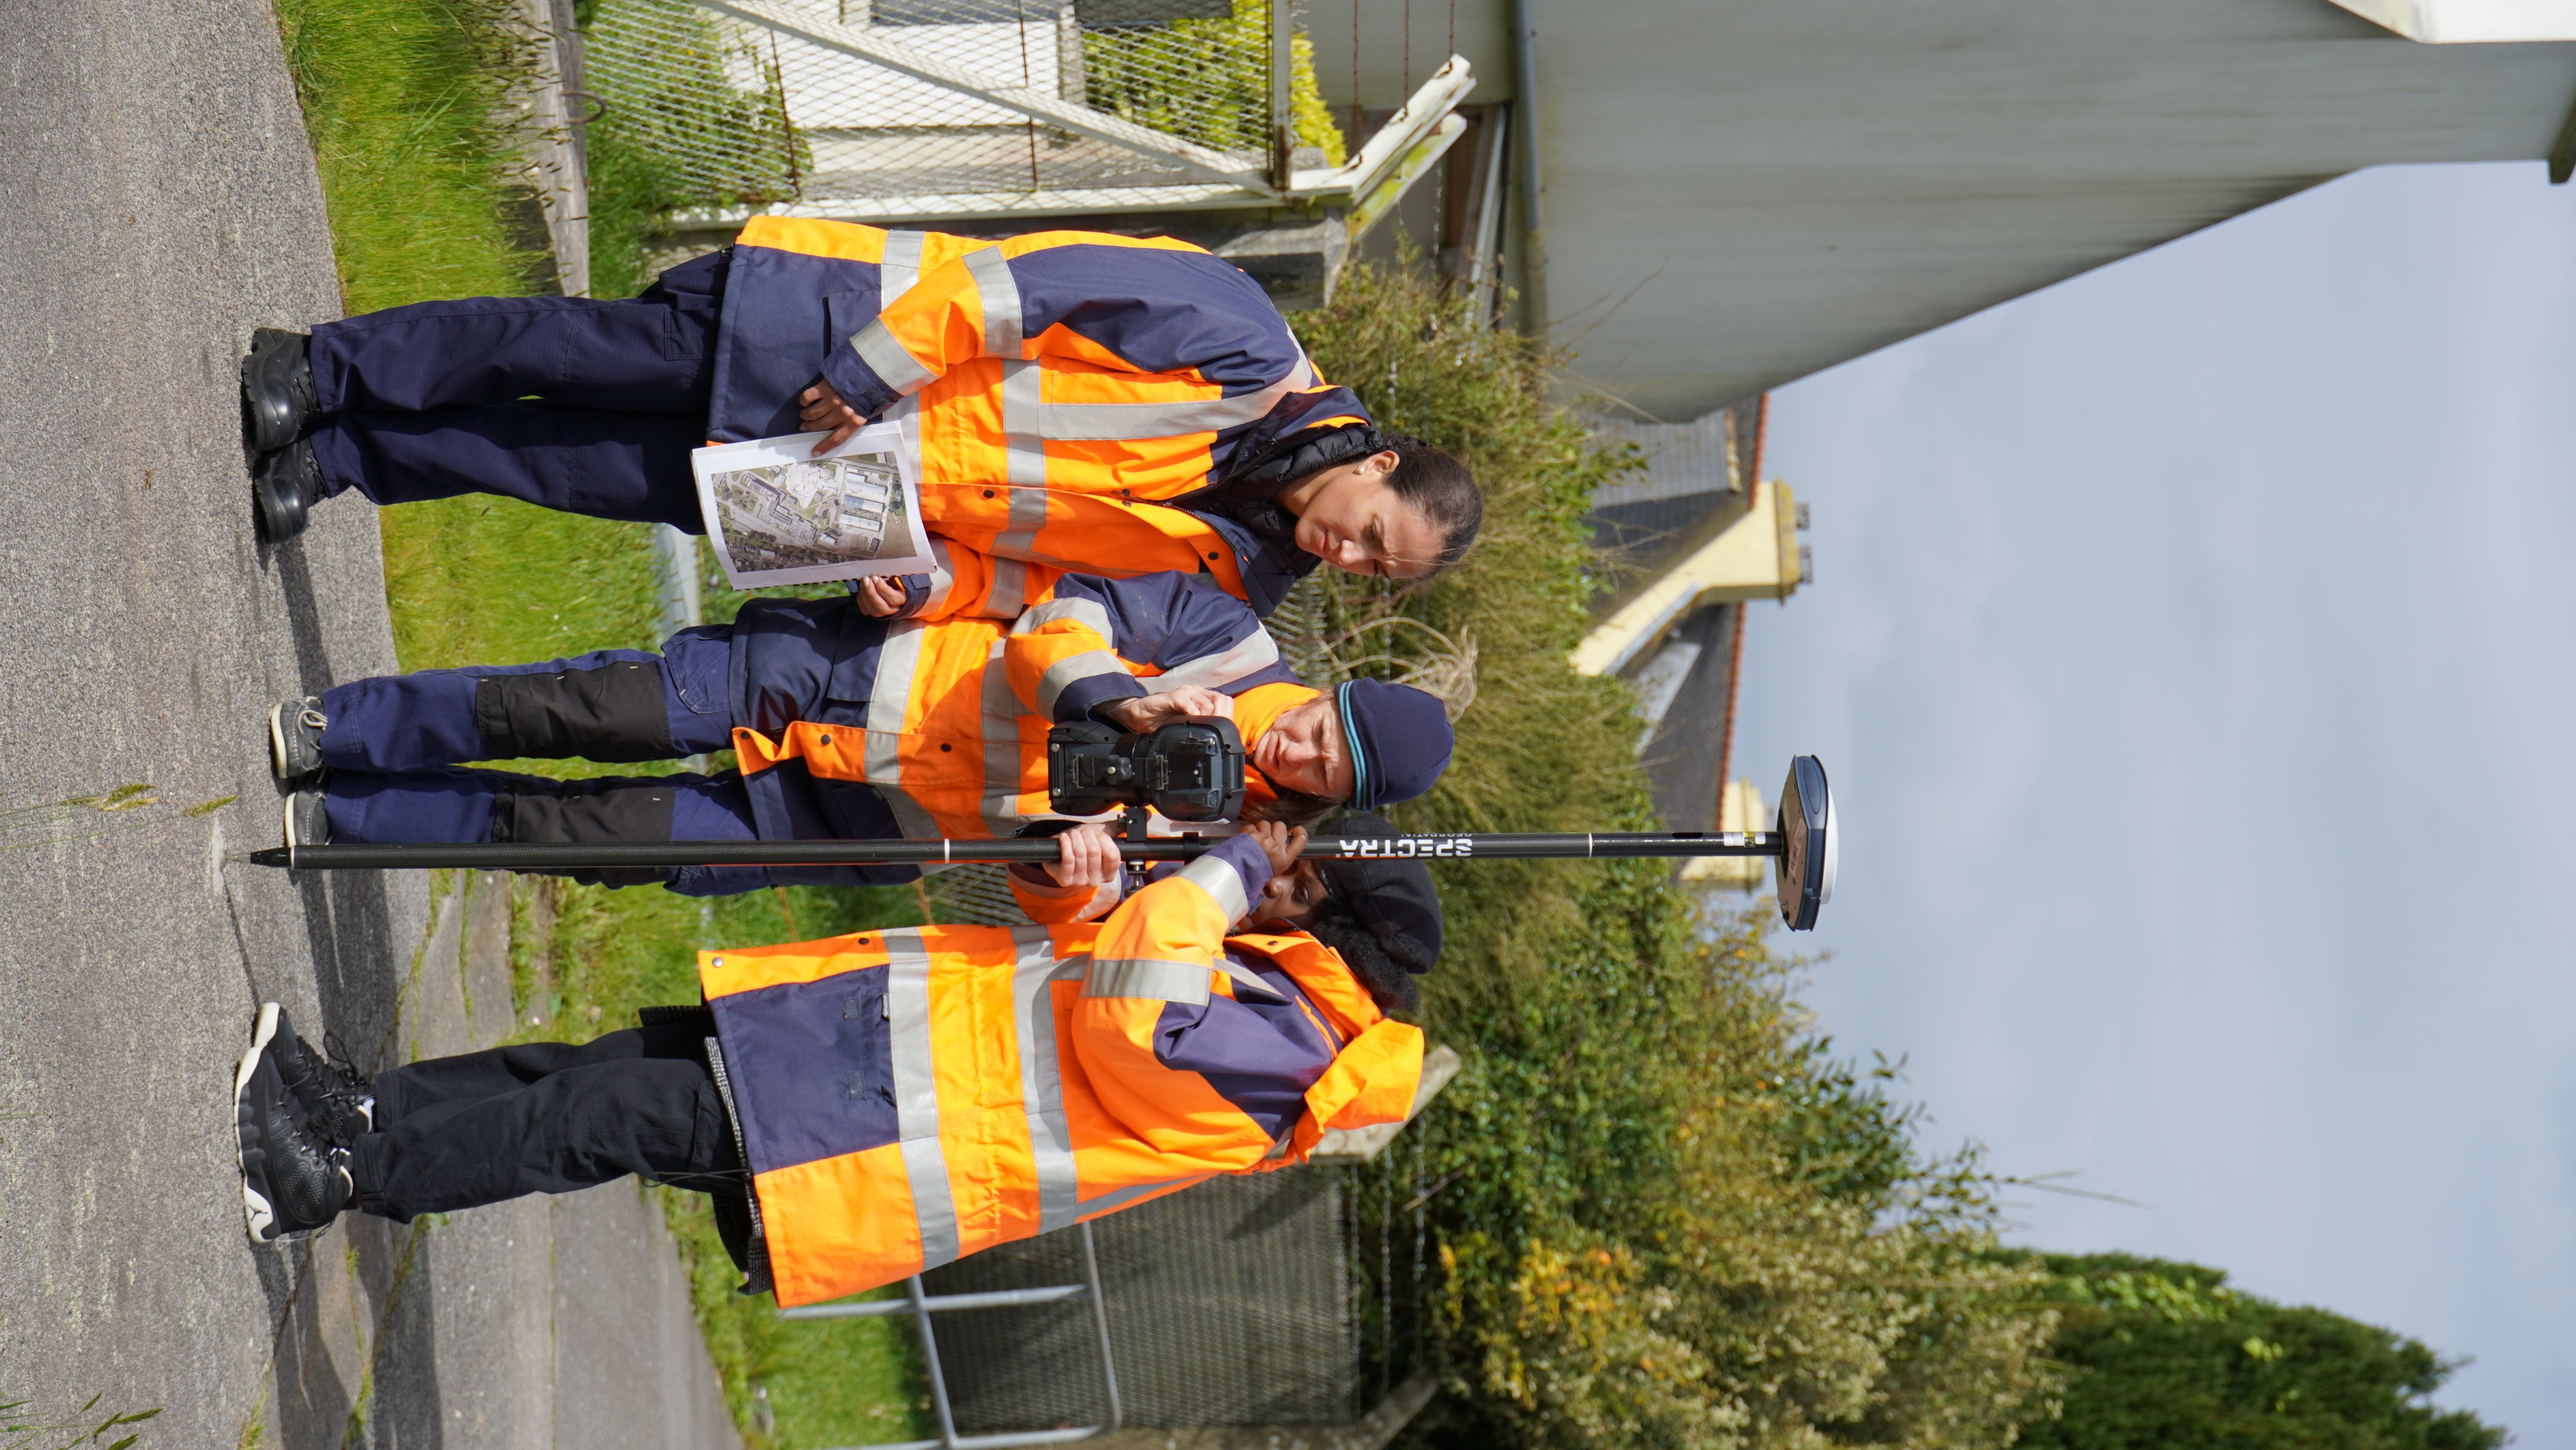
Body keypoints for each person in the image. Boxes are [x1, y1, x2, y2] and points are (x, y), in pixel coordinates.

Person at [232, 821, 1431, 1311]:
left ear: (1333, 925)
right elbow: (1080, 951)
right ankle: (365, 1109)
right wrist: (1081, 881)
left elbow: (1128, 1017)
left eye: (1299, 881)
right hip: (860, 1050)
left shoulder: (1292, 1058)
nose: (1272, 879)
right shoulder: (1266, 995)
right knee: (588, 1065)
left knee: (591, 1118)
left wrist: (1213, 876)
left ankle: (332, 1182)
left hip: (861, 1126)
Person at [241, 220, 1483, 615]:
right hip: (835, 354)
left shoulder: (1240, 565)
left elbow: (1048, 586)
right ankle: (321, 368)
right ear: (1376, 463)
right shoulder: (1249, 343)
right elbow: (1030, 281)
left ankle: (343, 460)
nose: (1353, 558)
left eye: (1377, 571)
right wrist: (883, 369)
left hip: (861, 503)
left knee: (578, 474)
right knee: (562, 349)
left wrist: (921, 581)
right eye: (1375, 532)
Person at [267, 570, 1455, 895]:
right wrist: (1128, 704)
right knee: (574, 705)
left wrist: (1072, 866)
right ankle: (344, 725)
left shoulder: (1223, 843)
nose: (1295, 753)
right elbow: (1058, 620)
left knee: (581, 831)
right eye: (1318, 729)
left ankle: (347, 813)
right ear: (1325, 693)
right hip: (841, 677)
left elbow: (1064, 904)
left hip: (845, 818)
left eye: (1322, 774)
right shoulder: (1221, 636)